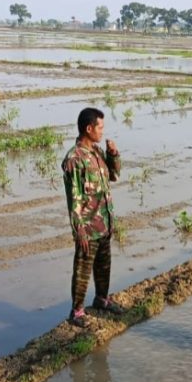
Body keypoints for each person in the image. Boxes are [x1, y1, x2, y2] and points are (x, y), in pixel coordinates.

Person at [62, 107, 125, 327]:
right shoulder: (74, 159)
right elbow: (75, 198)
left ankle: (101, 299)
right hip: (88, 227)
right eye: (100, 127)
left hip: (104, 223)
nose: (102, 131)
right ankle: (77, 311)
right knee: (82, 270)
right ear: (88, 129)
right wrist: (79, 229)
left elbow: (115, 175)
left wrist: (113, 154)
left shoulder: (97, 153)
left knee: (103, 266)